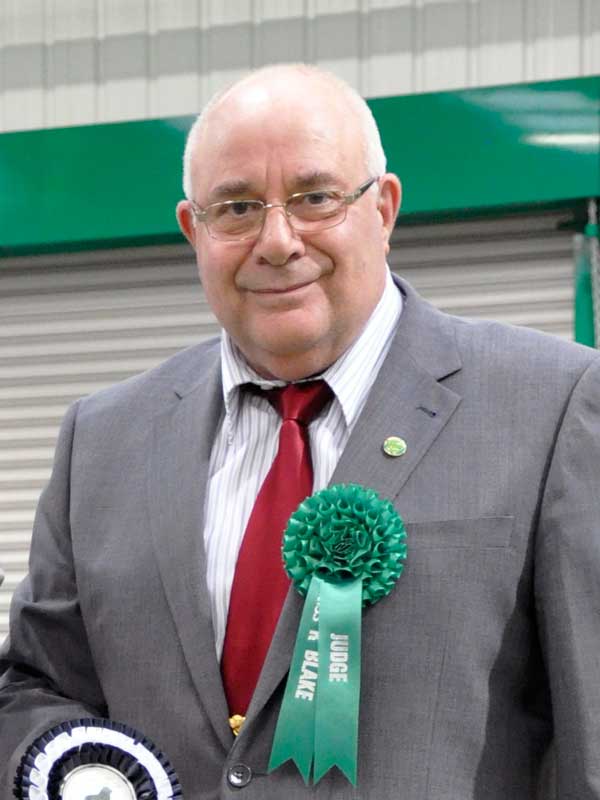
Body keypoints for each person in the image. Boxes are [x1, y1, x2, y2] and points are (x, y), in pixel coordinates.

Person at [1, 62, 599, 799]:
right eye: (237, 208)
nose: (278, 241)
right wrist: (70, 766)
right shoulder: (100, 440)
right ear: (194, 229)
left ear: (383, 209)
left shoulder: (554, 404)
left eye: (315, 198)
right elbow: (34, 684)